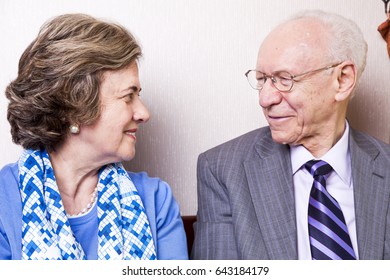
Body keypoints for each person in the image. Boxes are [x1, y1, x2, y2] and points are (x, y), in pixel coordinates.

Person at [191, 9, 390, 260]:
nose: (265, 99)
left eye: (285, 79)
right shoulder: (223, 169)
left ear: (342, 79)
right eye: (262, 79)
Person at [0, 13, 188, 260]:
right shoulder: (5, 199)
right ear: (76, 107)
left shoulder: (154, 200)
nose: (144, 113)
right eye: (128, 96)